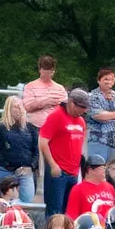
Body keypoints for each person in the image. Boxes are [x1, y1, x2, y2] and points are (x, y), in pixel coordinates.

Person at [39, 89, 89, 217]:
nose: (84, 111)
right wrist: (53, 164)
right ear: (72, 103)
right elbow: (43, 141)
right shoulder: (56, 116)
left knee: (69, 211)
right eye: (82, 107)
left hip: (73, 172)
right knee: (55, 212)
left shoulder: (81, 121)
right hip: (58, 171)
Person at [0, 95, 39, 206]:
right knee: (3, 203)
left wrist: (32, 166)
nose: (19, 109)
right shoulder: (0, 128)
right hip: (5, 170)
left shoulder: (31, 128)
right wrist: (10, 167)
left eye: (20, 106)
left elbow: (36, 151)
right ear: (9, 109)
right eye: (16, 107)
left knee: (27, 203)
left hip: (25, 171)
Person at [87, 67, 115, 164]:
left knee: (113, 171)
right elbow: (98, 116)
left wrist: (111, 114)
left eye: (111, 79)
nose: (109, 81)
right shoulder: (93, 96)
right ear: (99, 81)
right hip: (98, 140)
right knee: (96, 167)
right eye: (106, 79)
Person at [23, 54, 67, 131]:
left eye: (49, 70)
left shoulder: (60, 88)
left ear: (53, 70)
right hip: (35, 127)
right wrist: (45, 102)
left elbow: (65, 108)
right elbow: (27, 106)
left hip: (56, 127)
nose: (47, 73)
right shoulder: (30, 86)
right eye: (44, 69)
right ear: (39, 69)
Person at [65, 155, 115, 220]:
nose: (104, 170)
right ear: (90, 169)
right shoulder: (77, 189)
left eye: (105, 168)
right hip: (88, 228)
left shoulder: (110, 188)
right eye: (102, 168)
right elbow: (71, 217)